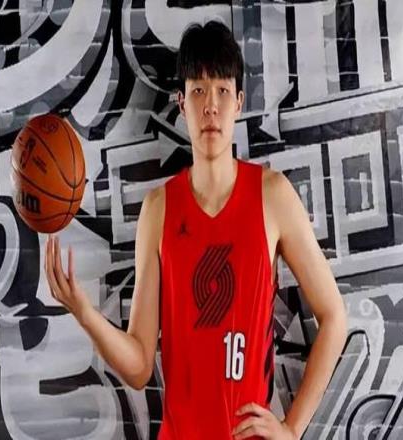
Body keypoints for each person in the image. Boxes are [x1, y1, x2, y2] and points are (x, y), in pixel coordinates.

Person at [44, 20, 348, 440]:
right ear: (181, 104)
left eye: (222, 90)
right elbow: (139, 366)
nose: (211, 106)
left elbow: (334, 317)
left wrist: (292, 429)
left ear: (238, 103)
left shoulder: (273, 196)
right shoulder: (158, 209)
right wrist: (83, 312)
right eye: (199, 91)